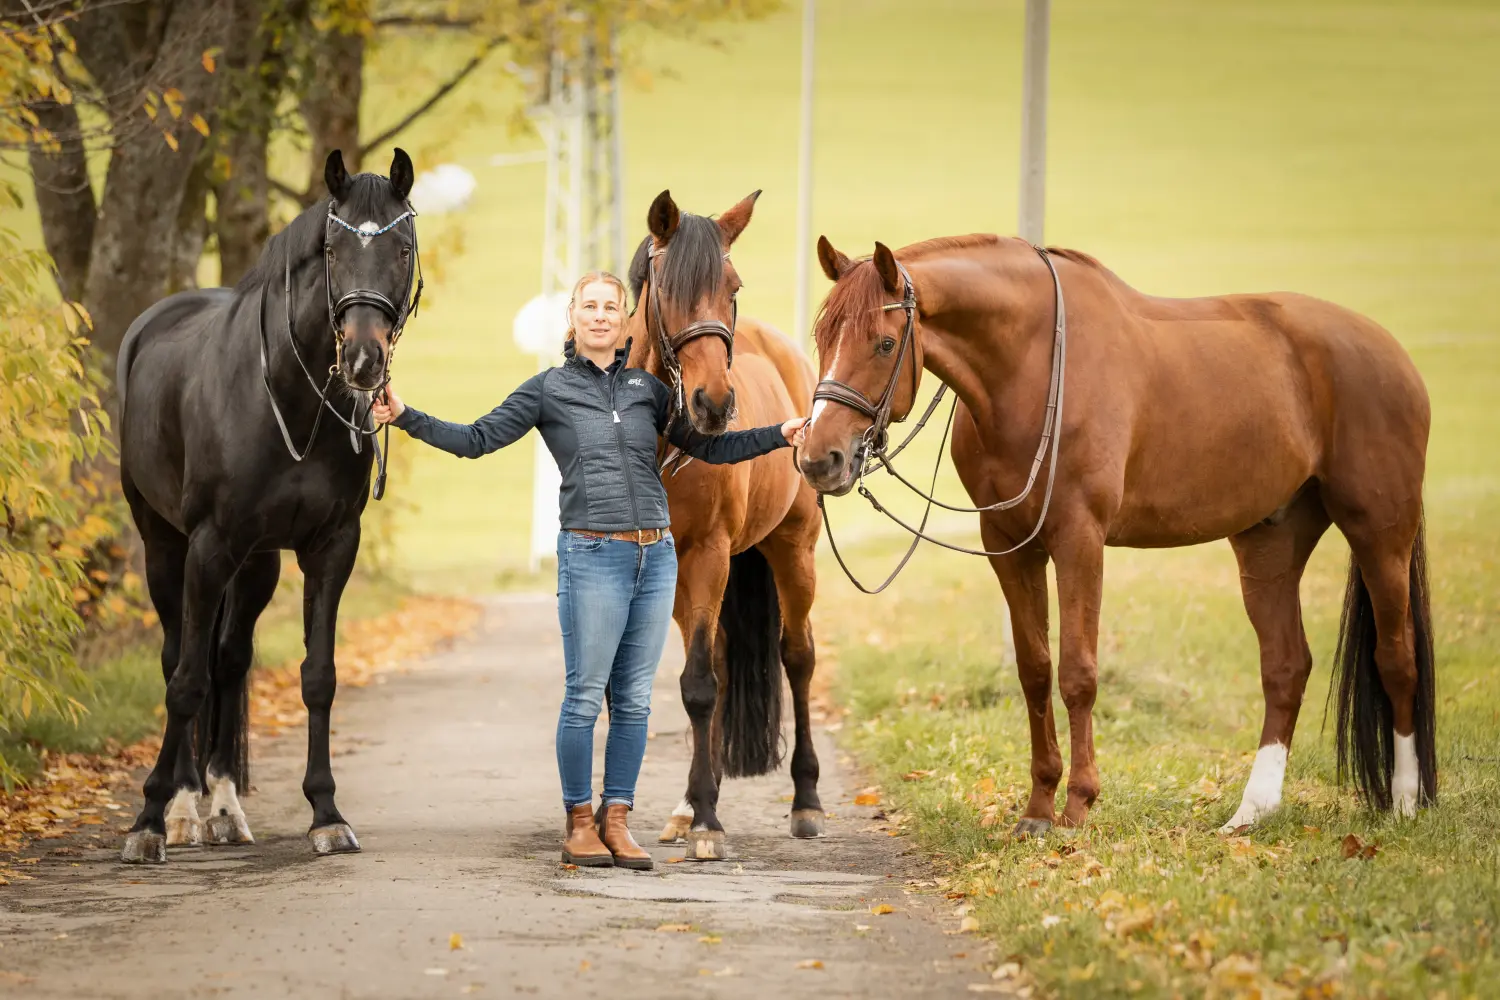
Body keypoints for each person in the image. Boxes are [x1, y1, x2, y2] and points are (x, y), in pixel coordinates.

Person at [372, 271, 806, 869]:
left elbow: (710, 447)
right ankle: (580, 821)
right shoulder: (548, 390)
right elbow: (476, 438)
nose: (601, 316)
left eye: (610, 307)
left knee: (633, 702)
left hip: (654, 558)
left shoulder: (649, 393)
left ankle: (618, 819)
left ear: (624, 318)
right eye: (590, 307)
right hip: (592, 554)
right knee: (582, 698)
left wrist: (777, 434)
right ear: (573, 318)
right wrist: (404, 414)